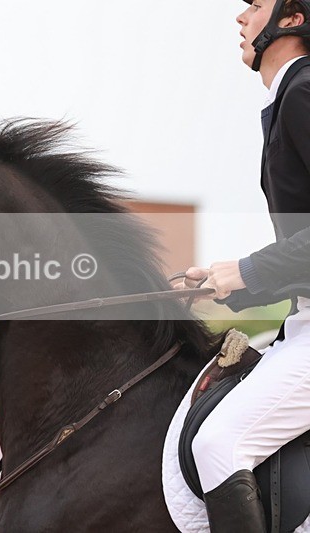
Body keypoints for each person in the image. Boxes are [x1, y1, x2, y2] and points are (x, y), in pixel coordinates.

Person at [172, 0, 310, 531]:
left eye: (253, 5)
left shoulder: (304, 93)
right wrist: (226, 285)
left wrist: (248, 271)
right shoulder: (286, 102)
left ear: (292, 20)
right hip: (299, 323)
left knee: (219, 442)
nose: (241, 17)